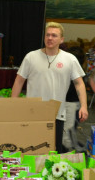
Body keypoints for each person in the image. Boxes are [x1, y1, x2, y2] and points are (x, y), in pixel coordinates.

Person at [11, 22, 87, 153]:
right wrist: (13, 103)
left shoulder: (70, 59)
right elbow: (19, 81)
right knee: (31, 148)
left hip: (57, 114)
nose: (50, 38)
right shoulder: (31, 57)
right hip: (32, 112)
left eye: (54, 35)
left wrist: (84, 106)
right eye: (47, 35)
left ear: (61, 39)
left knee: (54, 151)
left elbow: (79, 83)